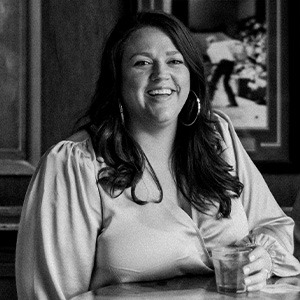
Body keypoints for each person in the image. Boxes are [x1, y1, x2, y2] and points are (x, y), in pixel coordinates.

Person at [15, 11, 300, 299]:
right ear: (117, 80)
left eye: (175, 61)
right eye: (142, 63)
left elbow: (273, 225)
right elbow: (51, 294)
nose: (161, 74)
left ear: (190, 75)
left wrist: (263, 259)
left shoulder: (218, 139)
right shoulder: (74, 165)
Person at [206, 35, 245, 107]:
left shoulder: (209, 50)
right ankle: (233, 102)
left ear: (208, 42)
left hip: (222, 63)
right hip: (231, 63)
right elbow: (236, 42)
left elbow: (215, 63)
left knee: (213, 83)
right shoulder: (223, 44)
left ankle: (208, 102)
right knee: (226, 83)